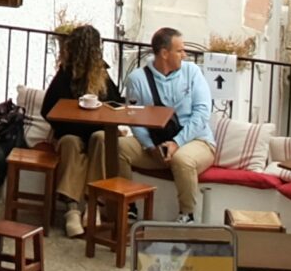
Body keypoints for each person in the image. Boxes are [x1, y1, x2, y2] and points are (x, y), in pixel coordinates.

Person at [118, 26, 216, 216]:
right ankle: (127, 208)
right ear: (164, 53)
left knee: (182, 158)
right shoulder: (137, 79)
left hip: (196, 141)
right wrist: (149, 147)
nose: (184, 55)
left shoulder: (192, 72)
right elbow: (135, 118)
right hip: (156, 143)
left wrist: (177, 143)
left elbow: (202, 113)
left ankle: (187, 215)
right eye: (179, 50)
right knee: (118, 147)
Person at [40, 22, 113, 238]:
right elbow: (48, 109)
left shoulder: (103, 74)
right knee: (70, 143)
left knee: (101, 139)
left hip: (94, 133)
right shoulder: (65, 74)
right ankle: (71, 209)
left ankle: (93, 204)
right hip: (69, 131)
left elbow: (115, 105)